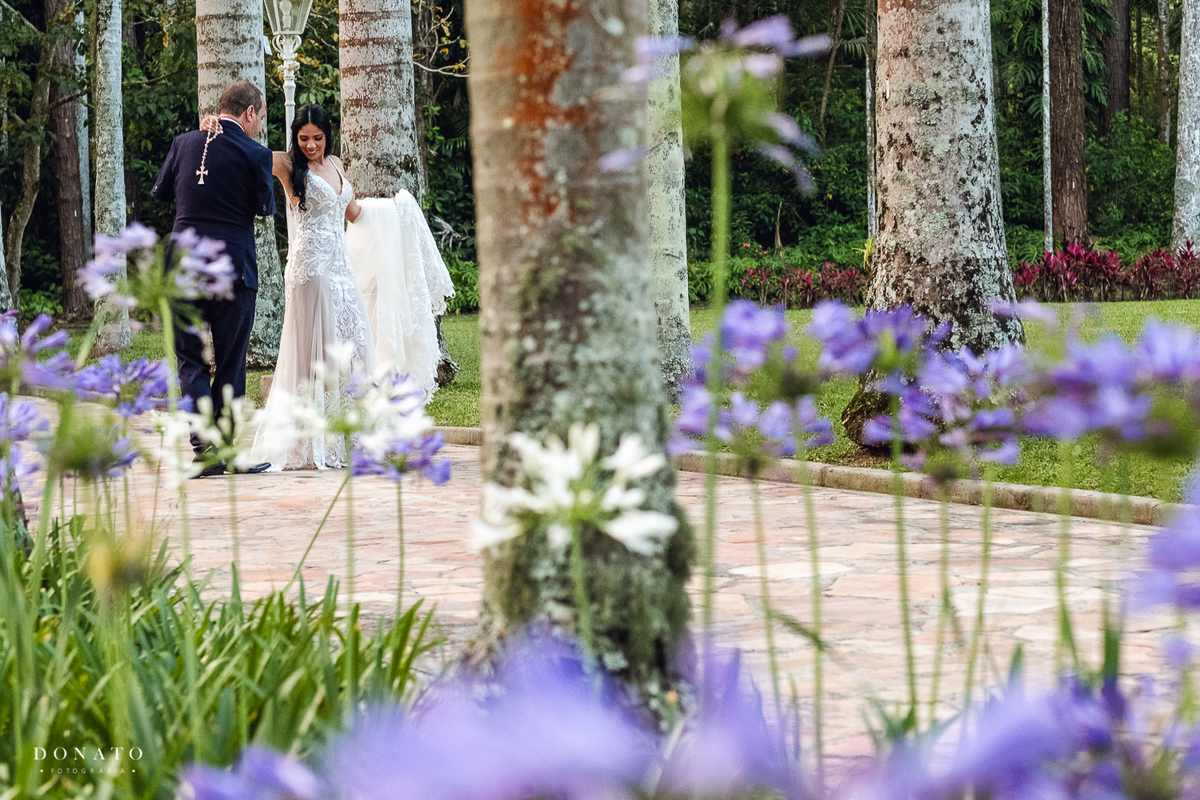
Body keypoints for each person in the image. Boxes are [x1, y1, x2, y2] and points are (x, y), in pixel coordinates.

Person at [236, 103, 376, 470]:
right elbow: (241, 150)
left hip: (341, 269)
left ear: (328, 135)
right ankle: (307, 441)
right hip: (310, 269)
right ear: (295, 138)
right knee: (313, 355)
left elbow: (352, 212)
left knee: (354, 345)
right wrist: (213, 130)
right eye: (303, 139)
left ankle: (349, 435)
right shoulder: (285, 164)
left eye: (317, 138)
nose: (311, 145)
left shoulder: (337, 165)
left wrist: (394, 212)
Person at [152, 79, 273, 476]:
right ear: (249, 112)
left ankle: (204, 445)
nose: (258, 127)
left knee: (189, 357)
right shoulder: (256, 154)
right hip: (231, 267)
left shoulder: (185, 142)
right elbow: (265, 208)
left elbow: (164, 191)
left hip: (182, 263)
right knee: (231, 358)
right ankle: (223, 447)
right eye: (260, 118)